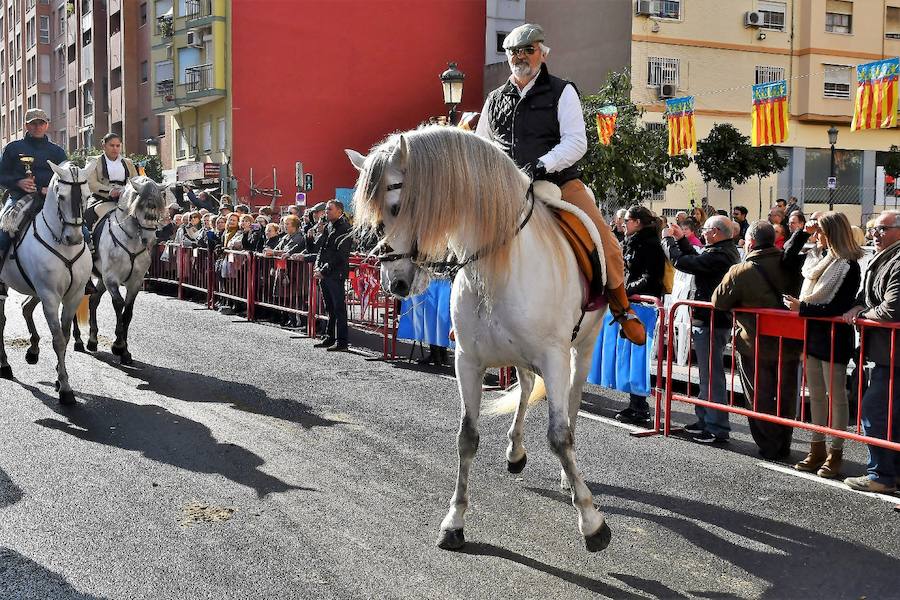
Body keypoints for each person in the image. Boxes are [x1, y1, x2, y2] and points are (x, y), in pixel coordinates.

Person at [474, 23, 643, 344]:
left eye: (528, 50)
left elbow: (576, 143)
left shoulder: (562, 90)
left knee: (607, 242)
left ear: (542, 53)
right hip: (508, 189)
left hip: (559, 182)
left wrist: (542, 164)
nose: (520, 57)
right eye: (513, 52)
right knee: (466, 234)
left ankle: (622, 309)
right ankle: (470, 311)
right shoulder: (495, 99)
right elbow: (482, 144)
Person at [711, 221, 804, 460]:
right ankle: (784, 443)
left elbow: (718, 301)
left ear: (750, 242)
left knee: (759, 395)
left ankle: (769, 445)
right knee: (786, 394)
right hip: (790, 342)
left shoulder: (742, 270)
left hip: (755, 344)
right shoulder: (791, 265)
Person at [783, 212, 862, 479]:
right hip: (814, 332)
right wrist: (803, 231)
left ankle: (835, 452)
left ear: (832, 233)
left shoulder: (849, 265)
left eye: (820, 232)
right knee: (816, 394)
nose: (816, 236)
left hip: (834, 335)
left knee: (835, 396)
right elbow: (788, 257)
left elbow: (838, 306)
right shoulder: (818, 259)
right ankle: (816, 448)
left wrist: (802, 307)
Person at [663, 215, 741, 443]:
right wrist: (681, 239)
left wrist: (667, 241)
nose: (703, 232)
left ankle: (716, 427)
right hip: (708, 320)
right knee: (706, 374)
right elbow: (696, 258)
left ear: (715, 232)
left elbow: (686, 263)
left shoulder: (721, 255)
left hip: (712, 321)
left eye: (706, 229)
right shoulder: (720, 251)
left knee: (712, 375)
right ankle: (705, 418)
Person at [842, 210, 900, 494]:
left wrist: (864, 312)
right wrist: (859, 306)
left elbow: (891, 309)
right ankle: (891, 473)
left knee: (874, 413)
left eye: (882, 229)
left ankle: (881, 475)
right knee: (889, 415)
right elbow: (870, 295)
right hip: (885, 353)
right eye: (873, 229)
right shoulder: (887, 256)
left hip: (893, 354)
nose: (874, 235)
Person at [615, 205, 666, 425]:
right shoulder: (631, 241)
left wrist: (627, 290)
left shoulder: (651, 244)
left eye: (626, 220)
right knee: (630, 356)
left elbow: (651, 277)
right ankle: (635, 404)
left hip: (644, 305)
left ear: (637, 222)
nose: (623, 224)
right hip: (633, 304)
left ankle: (640, 406)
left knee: (638, 356)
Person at [0, 108, 69, 270]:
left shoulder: (57, 151)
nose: (38, 127)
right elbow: (1, 176)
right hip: (19, 198)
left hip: (50, 199)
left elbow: (66, 178)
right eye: (34, 123)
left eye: (41, 123)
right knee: (2, 235)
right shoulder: (13, 148)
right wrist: (18, 182)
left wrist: (50, 190)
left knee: (83, 233)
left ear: (47, 125)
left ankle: (85, 279)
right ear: (26, 125)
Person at [313, 200, 353, 351]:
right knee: (329, 307)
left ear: (339, 211)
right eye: (326, 210)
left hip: (336, 273)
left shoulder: (345, 228)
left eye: (330, 209)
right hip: (325, 272)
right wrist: (313, 235)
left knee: (338, 308)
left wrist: (323, 271)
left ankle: (342, 341)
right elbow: (320, 248)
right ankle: (330, 337)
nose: (326, 212)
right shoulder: (328, 226)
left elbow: (340, 255)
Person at [85, 132, 139, 239]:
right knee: (88, 214)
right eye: (112, 145)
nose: (115, 148)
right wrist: (110, 191)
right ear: (104, 146)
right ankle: (89, 241)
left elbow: (135, 180)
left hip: (126, 199)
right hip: (101, 198)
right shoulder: (93, 161)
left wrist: (126, 191)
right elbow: (91, 182)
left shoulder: (128, 162)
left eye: (118, 146)